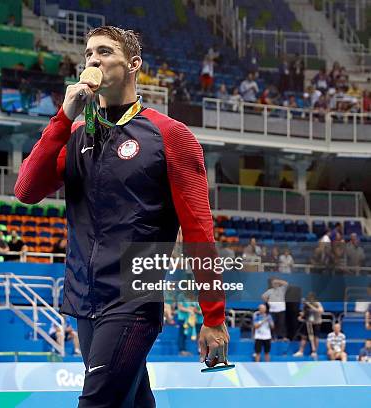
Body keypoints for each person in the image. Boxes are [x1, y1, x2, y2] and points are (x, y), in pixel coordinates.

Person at [14, 25, 227, 407]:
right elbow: (27, 191)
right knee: (131, 401)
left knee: (97, 402)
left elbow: (199, 231)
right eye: (89, 54)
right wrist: (63, 118)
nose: (93, 60)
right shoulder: (77, 132)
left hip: (133, 297)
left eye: (104, 52)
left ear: (133, 65)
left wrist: (213, 314)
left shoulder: (170, 135)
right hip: (82, 298)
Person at [293, 292, 323, 358]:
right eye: (308, 297)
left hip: (316, 323)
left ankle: (314, 352)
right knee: (304, 337)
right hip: (308, 323)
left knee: (315, 337)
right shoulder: (305, 305)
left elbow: (321, 311)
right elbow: (304, 313)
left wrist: (310, 305)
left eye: (311, 297)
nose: (309, 298)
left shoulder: (317, 303)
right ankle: (300, 351)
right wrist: (301, 316)